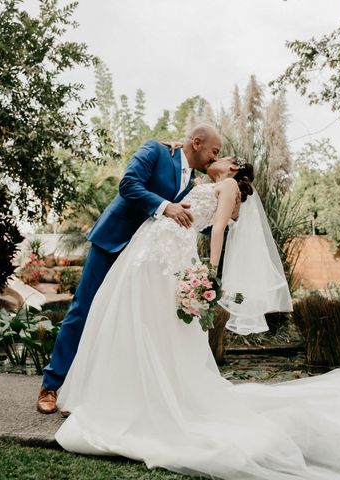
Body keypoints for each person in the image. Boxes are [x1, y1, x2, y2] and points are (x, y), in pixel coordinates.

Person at [54, 156, 340, 480]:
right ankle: (138, 391)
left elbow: (218, 228)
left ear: (233, 167)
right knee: (149, 325)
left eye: (220, 156)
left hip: (174, 254)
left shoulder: (229, 188)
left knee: (156, 326)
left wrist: (209, 271)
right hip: (163, 251)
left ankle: (155, 397)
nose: (213, 159)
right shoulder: (209, 181)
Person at [36, 124, 222, 414]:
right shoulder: (155, 150)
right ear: (197, 142)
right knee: (83, 310)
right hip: (114, 243)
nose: (215, 157)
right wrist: (165, 206)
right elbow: (129, 185)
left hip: (145, 259)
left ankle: (95, 392)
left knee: (128, 321)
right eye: (214, 151)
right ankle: (51, 385)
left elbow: (198, 221)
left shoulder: (195, 182)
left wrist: (231, 213)